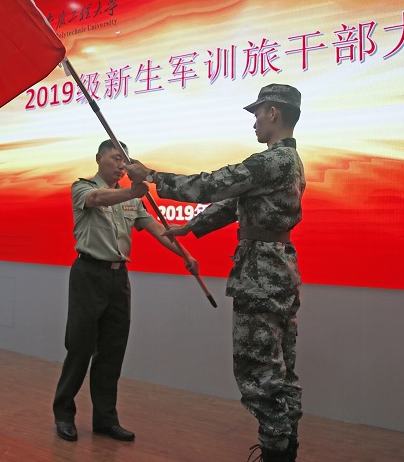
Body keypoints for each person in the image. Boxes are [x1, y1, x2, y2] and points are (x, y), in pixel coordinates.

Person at [126, 84, 306, 462]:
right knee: (280, 371)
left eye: (257, 113)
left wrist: (153, 175)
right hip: (278, 271)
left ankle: (277, 454)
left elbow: (212, 185)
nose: (254, 122)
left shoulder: (271, 161)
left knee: (260, 372)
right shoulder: (289, 161)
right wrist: (191, 227)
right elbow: (235, 203)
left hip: (261, 277)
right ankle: (284, 449)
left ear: (273, 112)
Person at [53, 139, 199, 443]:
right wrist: (131, 192)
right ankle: (64, 414)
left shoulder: (134, 201)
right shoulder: (82, 187)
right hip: (88, 274)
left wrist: (186, 256)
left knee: (112, 351)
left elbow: (160, 231)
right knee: (80, 348)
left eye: (125, 160)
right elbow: (97, 198)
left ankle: (106, 420)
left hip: (118, 279)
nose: (122, 165)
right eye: (115, 158)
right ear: (99, 158)